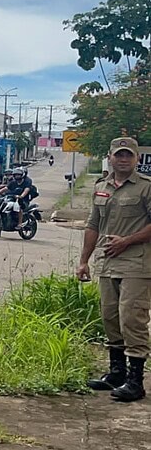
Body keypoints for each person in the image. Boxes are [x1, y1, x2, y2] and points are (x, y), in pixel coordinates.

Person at [78, 136, 151, 402]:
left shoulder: (146, 188)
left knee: (132, 318)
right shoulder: (101, 187)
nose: (123, 159)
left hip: (136, 264)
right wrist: (84, 260)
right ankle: (117, 373)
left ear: (137, 159)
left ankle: (135, 381)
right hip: (107, 263)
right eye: (118, 154)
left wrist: (127, 241)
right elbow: (93, 225)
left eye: (128, 155)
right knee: (110, 317)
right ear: (110, 157)